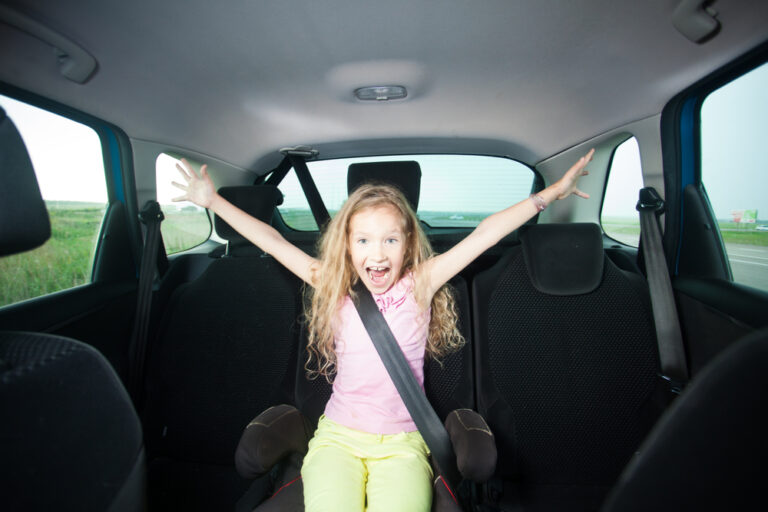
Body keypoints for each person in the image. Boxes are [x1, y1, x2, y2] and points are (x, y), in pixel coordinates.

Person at [172, 149, 593, 512]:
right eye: (364, 241)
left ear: (408, 245)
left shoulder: (422, 284)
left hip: (403, 445)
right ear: (347, 245)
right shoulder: (333, 284)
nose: (377, 254)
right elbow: (273, 241)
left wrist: (547, 196)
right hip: (337, 440)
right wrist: (213, 201)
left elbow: (485, 235)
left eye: (390, 240)